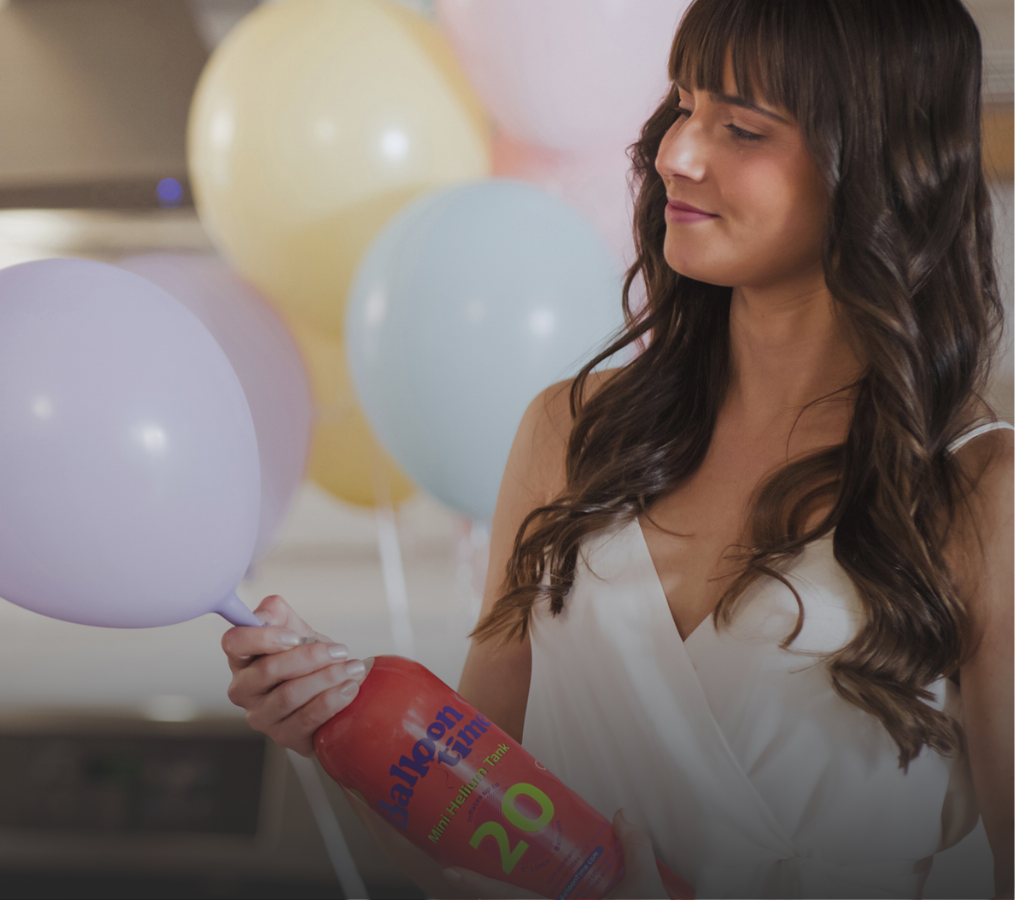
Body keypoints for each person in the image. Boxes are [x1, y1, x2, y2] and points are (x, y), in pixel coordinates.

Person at [221, 0, 1013, 896]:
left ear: (878, 168)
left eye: (742, 129)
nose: (675, 152)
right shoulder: (569, 433)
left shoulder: (981, 491)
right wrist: (337, 716)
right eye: (684, 106)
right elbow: (467, 831)